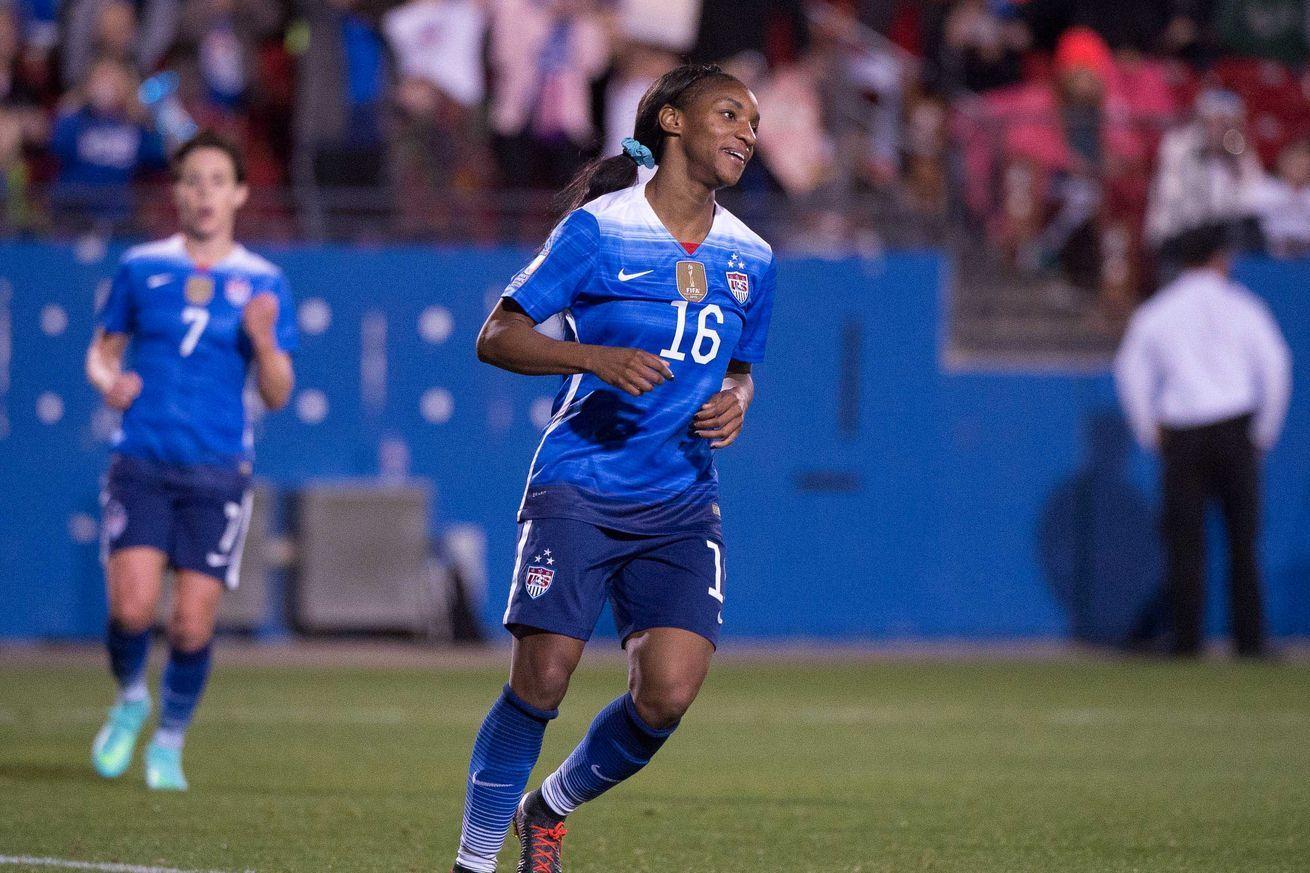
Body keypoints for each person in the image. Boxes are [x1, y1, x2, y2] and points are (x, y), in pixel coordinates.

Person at [452, 63, 775, 873]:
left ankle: (548, 808)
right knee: (545, 677)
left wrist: (739, 398)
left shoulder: (753, 255)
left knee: (667, 692)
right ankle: (472, 861)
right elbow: (497, 335)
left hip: (681, 498)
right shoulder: (599, 229)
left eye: (755, 124)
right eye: (730, 113)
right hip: (582, 484)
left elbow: (740, 366)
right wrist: (593, 355)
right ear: (671, 119)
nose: (746, 132)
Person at [85, 130, 298, 790]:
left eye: (216, 180)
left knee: (190, 620)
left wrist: (263, 342)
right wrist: (106, 380)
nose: (203, 192)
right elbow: (101, 350)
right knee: (132, 608)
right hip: (142, 459)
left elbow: (278, 392)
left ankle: (169, 739)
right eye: (191, 180)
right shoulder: (141, 266)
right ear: (176, 192)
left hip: (217, 470)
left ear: (238, 193)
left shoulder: (265, 282)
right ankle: (129, 699)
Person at [1113, 223, 1292, 658]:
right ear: (1221, 259)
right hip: (1235, 430)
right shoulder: (1244, 307)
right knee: (1242, 542)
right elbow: (1277, 367)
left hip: (1184, 434)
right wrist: (1264, 432)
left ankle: (1185, 641)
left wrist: (1148, 429)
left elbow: (1129, 371)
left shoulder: (1159, 310)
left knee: (1184, 543)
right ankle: (1249, 642)